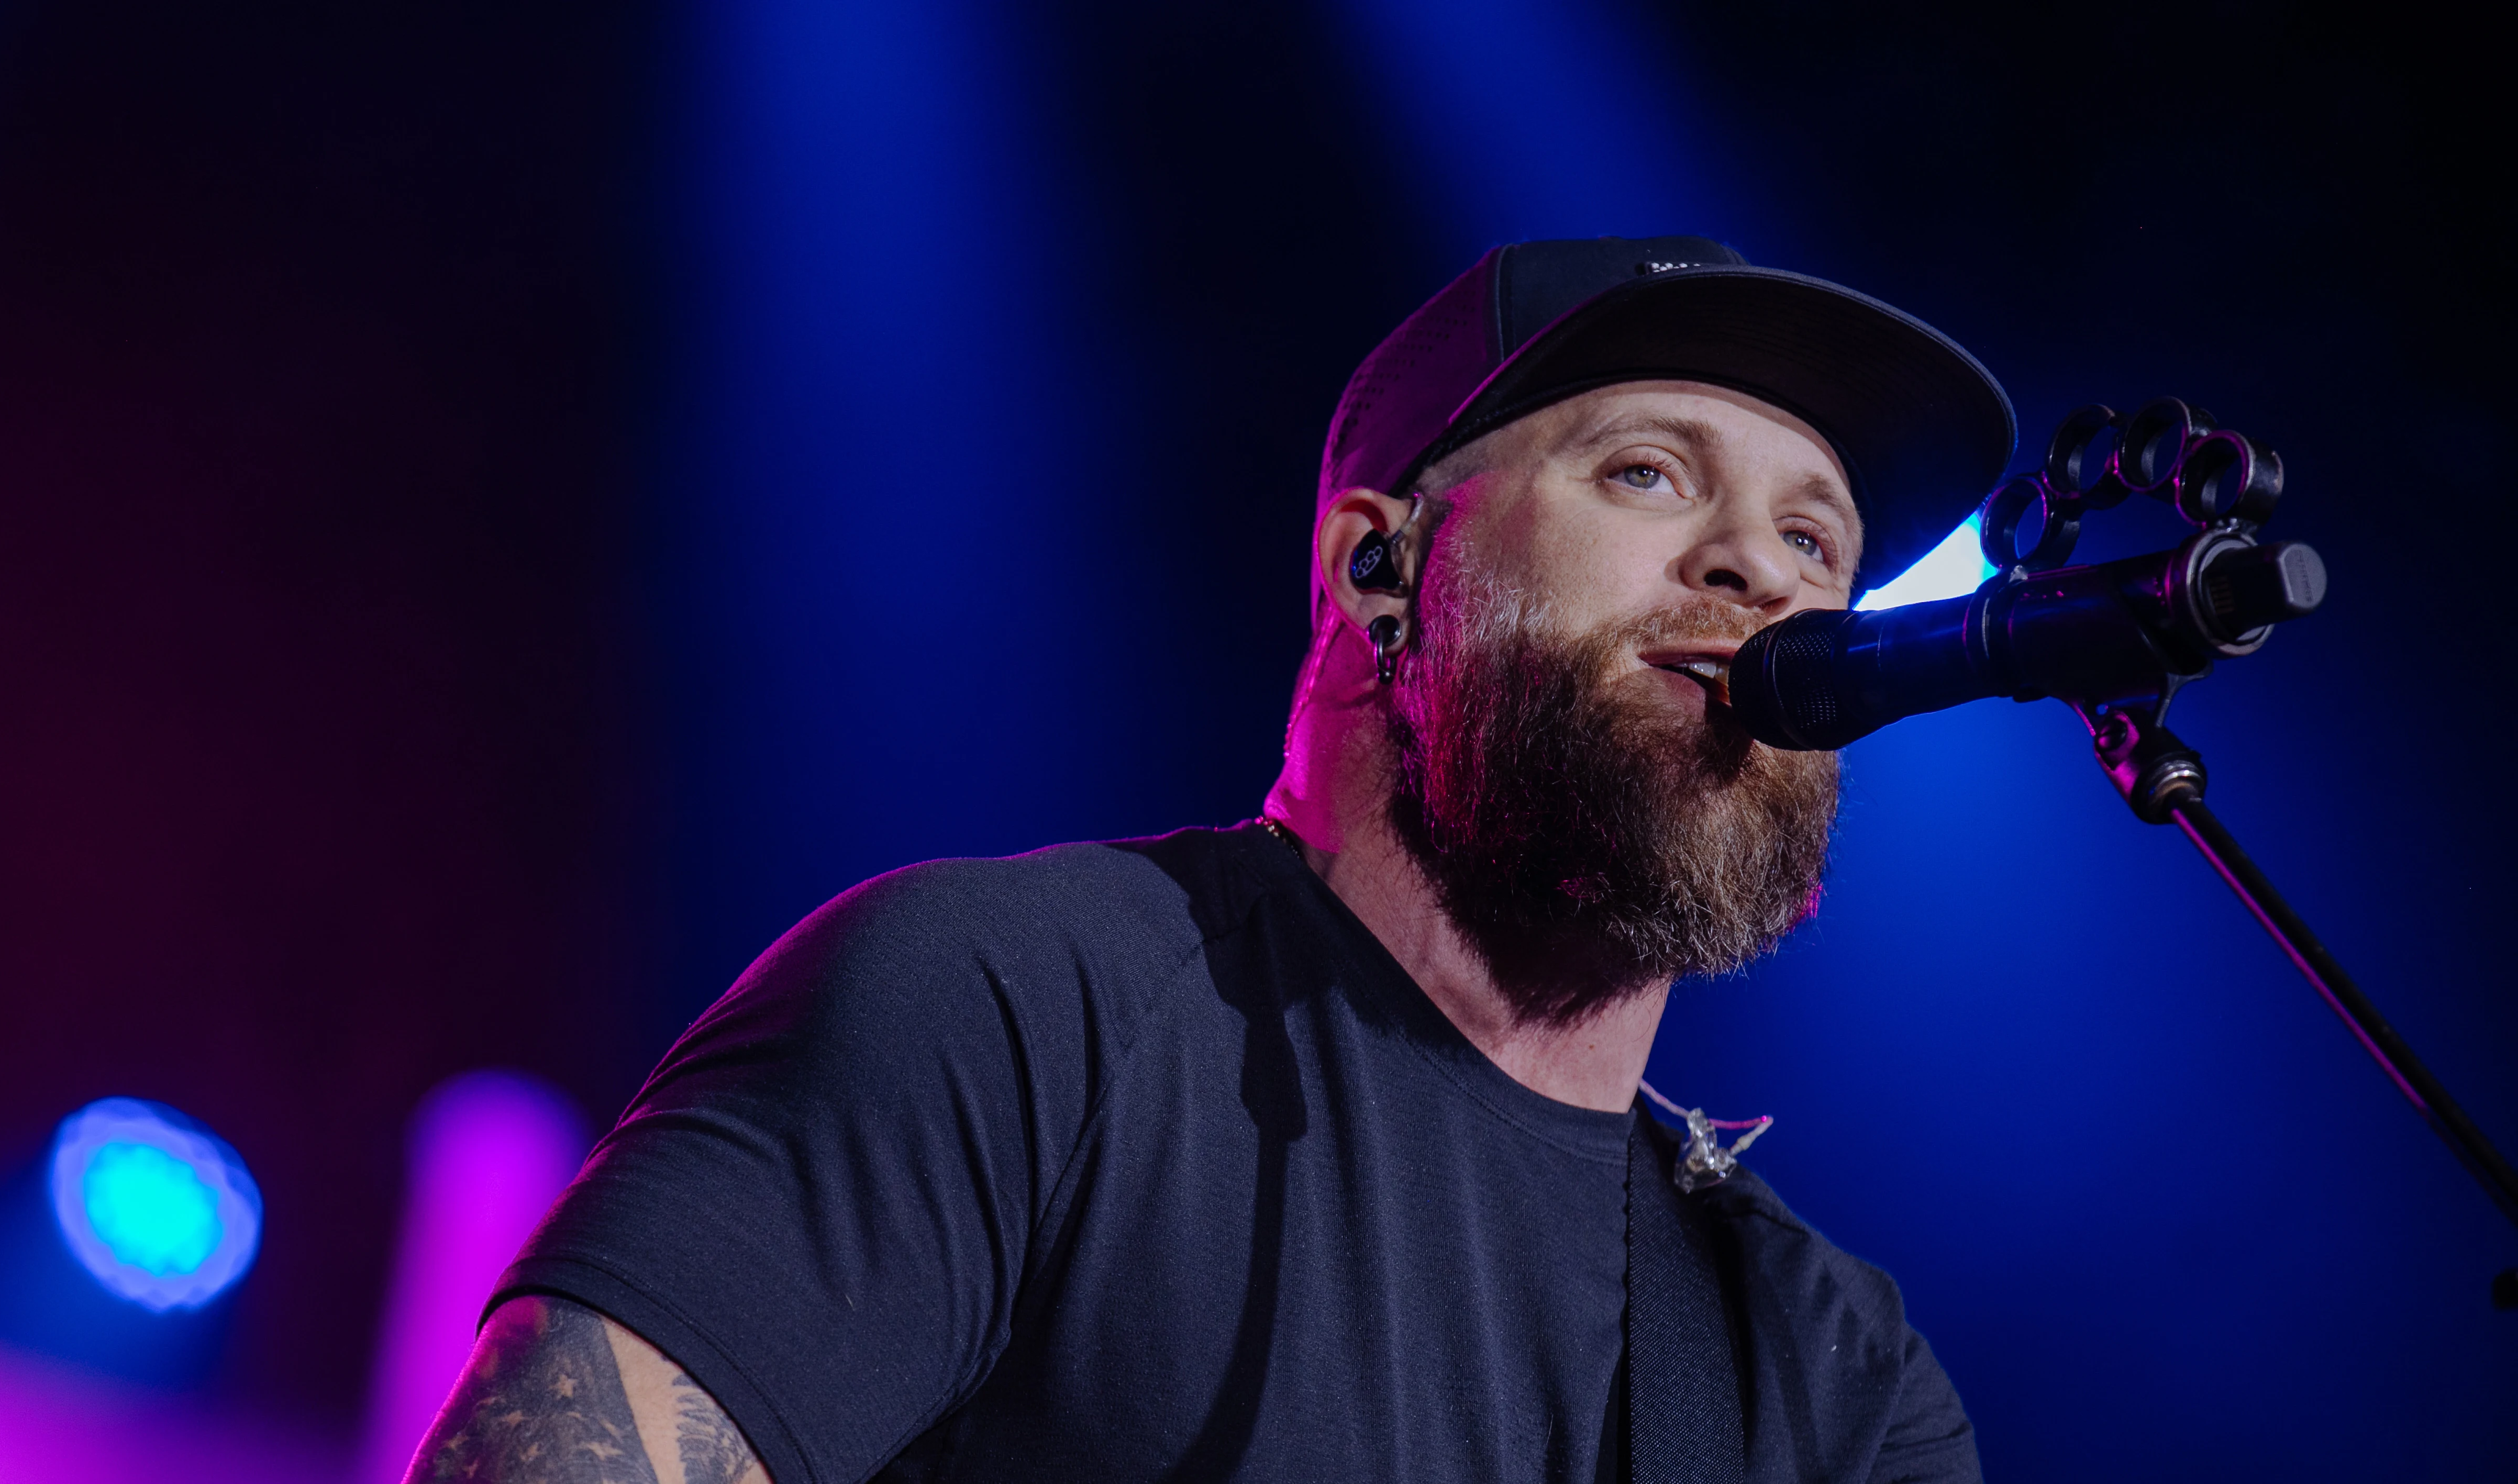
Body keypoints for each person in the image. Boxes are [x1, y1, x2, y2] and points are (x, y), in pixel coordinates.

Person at [403, 235, 2016, 1484]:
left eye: (1819, 543)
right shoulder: (1013, 1013)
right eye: (1648, 472)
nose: (1757, 567)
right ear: (1381, 570)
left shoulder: (1828, 1371)